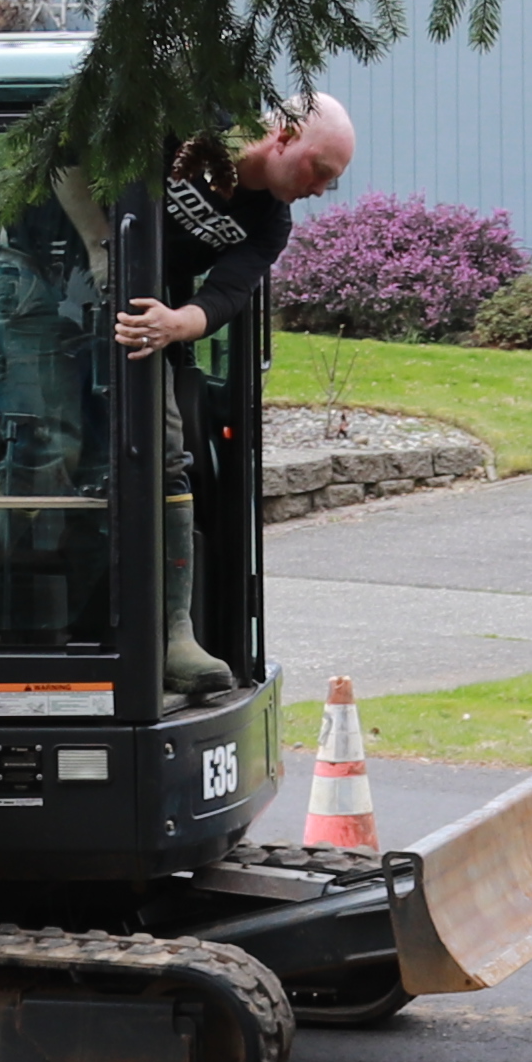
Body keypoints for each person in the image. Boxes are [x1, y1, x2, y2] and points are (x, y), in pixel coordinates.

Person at [111, 91, 356, 695]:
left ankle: (173, 634)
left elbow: (224, 295)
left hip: (143, 323)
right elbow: (79, 161)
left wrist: (174, 324)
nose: (321, 189)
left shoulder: (269, 221)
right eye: (319, 171)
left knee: (167, 456)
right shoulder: (190, 123)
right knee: (47, 451)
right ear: (284, 137)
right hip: (53, 289)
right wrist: (101, 254)